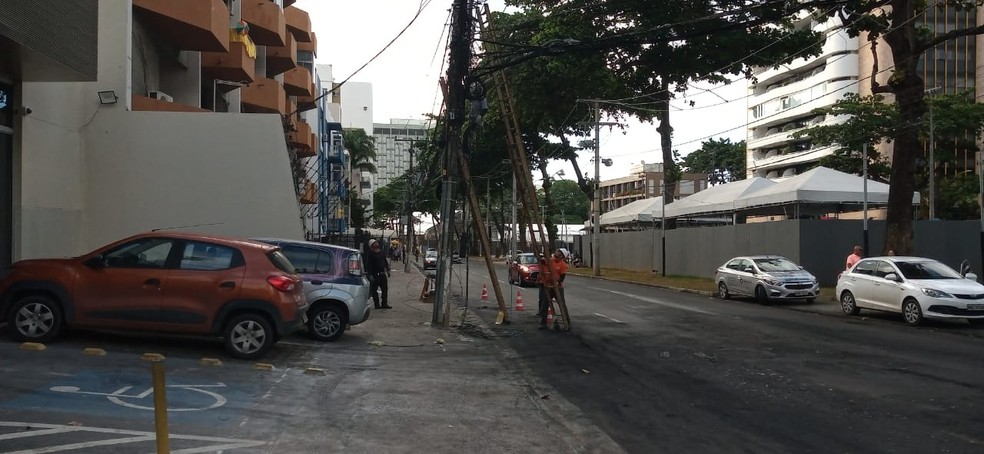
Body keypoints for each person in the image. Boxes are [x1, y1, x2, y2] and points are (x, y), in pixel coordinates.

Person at [537, 250, 569, 329]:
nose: (556, 252)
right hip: (548, 286)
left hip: (558, 287)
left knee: (561, 304)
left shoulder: (563, 265)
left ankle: (567, 321)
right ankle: (543, 322)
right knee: (545, 303)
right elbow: (543, 261)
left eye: (558, 252)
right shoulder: (550, 260)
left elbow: (562, 277)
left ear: (562, 256)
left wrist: (557, 282)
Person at [365, 239, 392, 309]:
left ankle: (384, 303)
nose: (377, 243)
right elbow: (369, 265)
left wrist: (388, 270)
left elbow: (385, 261)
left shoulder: (382, 252)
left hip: (382, 274)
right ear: (372, 245)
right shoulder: (371, 254)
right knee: (374, 290)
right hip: (375, 274)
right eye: (374, 243)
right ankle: (377, 304)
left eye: (376, 242)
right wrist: (370, 275)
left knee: (385, 290)